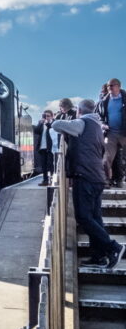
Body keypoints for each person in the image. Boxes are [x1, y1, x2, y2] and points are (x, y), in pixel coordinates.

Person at [52, 99, 125, 268]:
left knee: (83, 216)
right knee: (95, 217)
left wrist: (68, 127)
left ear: (79, 110)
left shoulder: (81, 123)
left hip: (84, 176)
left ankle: (113, 247)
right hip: (97, 177)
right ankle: (98, 256)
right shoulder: (97, 126)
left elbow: (55, 124)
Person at [97, 78, 126, 187]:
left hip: (124, 132)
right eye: (108, 86)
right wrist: (103, 124)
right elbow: (100, 116)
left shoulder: (125, 98)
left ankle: (119, 180)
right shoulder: (104, 101)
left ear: (118, 86)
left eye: (112, 85)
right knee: (106, 159)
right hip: (111, 133)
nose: (109, 88)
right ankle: (106, 181)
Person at [34, 110, 55, 186]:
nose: (46, 117)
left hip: (50, 147)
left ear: (52, 116)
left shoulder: (54, 123)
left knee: (51, 165)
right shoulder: (41, 124)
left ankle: (53, 180)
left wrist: (48, 124)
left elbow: (53, 130)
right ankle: (45, 180)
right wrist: (40, 123)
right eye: (44, 116)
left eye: (48, 116)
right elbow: (36, 131)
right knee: (44, 165)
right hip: (42, 147)